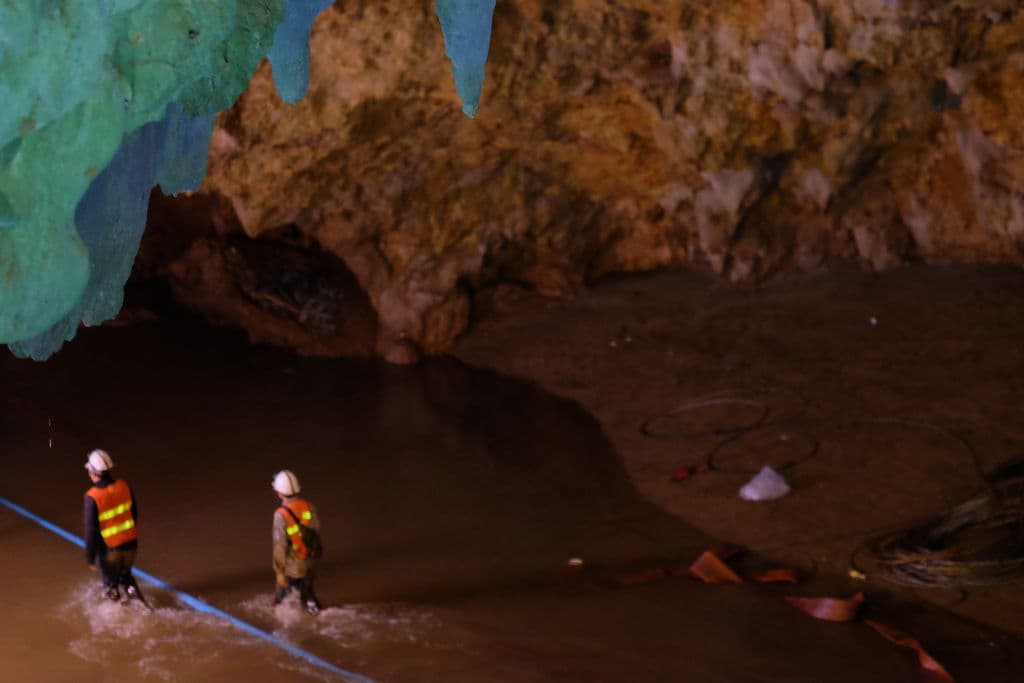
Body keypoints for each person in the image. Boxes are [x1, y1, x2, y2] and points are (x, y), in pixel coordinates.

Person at [83, 449, 144, 603]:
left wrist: (90, 556)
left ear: (92, 472)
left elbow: (91, 530)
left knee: (111, 586)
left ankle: (117, 610)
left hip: (110, 549)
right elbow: (134, 513)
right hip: (131, 544)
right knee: (126, 576)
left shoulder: (93, 496)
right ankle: (140, 605)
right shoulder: (124, 485)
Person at [271, 469, 323, 615]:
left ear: (279, 493)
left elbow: (280, 546)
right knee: (308, 593)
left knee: (281, 603)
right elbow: (315, 531)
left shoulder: (280, 515)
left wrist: (280, 572)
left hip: (293, 565)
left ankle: (283, 632)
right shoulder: (309, 506)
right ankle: (317, 614)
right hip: (311, 560)